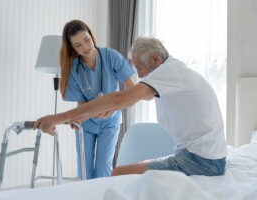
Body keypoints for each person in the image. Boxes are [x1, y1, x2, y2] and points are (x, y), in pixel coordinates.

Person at [34, 36, 227, 177]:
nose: (140, 76)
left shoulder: (169, 72)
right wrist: (96, 112)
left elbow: (121, 98)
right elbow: (130, 99)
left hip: (202, 162)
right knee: (134, 168)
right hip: (201, 157)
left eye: (139, 68)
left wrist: (58, 118)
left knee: (119, 173)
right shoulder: (174, 71)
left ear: (154, 59)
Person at [56, 20, 135, 179]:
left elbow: (131, 89)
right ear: (72, 47)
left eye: (87, 40)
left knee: (103, 166)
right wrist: (79, 117)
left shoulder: (111, 56)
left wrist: (112, 108)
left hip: (110, 121)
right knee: (84, 168)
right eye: (78, 45)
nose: (85, 47)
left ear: (92, 36)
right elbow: (80, 102)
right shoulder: (73, 68)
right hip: (86, 122)